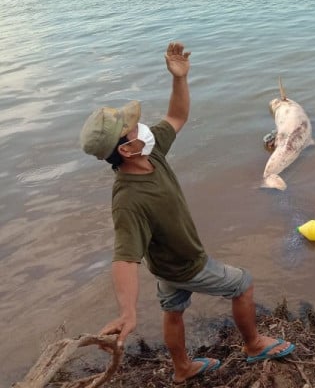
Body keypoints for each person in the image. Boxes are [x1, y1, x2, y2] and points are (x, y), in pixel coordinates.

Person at [79, 42, 295, 384]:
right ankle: (253, 344)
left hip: (165, 264)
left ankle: (182, 369)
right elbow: (124, 258)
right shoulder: (128, 199)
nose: (142, 127)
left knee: (173, 311)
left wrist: (179, 78)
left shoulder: (152, 154)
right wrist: (127, 310)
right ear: (126, 148)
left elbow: (177, 115)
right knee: (243, 284)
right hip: (186, 264)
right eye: (132, 128)